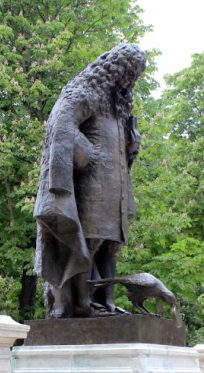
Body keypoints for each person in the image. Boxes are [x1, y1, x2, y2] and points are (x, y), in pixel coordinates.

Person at [34, 44, 146, 318]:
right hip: (91, 186)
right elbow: (60, 124)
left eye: (135, 76)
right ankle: (82, 305)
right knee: (89, 241)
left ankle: (104, 301)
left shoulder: (116, 105)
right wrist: (84, 150)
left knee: (108, 246)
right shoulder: (84, 92)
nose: (130, 81)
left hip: (114, 186)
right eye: (129, 73)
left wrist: (132, 146)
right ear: (116, 69)